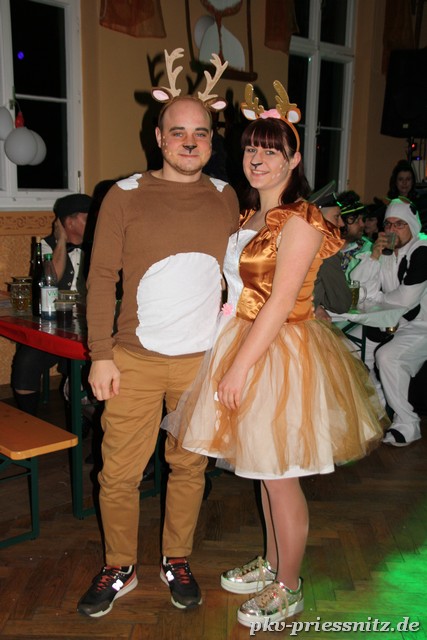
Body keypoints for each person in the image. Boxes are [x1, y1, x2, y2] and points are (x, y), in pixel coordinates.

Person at [164, 81, 386, 628]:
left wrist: (239, 367)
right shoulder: (248, 216)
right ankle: (272, 561)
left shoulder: (302, 219)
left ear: (294, 159)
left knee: (281, 472)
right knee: (262, 468)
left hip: (279, 352)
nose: (257, 159)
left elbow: (282, 301)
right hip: (242, 339)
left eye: (271, 150)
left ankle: (290, 586)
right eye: (250, 149)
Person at [77, 48, 239, 618]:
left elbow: (236, 277)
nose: (190, 142)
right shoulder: (122, 196)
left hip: (200, 363)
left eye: (201, 133)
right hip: (134, 360)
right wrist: (100, 354)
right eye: (178, 132)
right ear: (158, 136)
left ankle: (177, 558)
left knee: (189, 467)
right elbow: (99, 279)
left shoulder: (225, 197)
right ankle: (119, 565)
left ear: (212, 139)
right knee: (119, 473)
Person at [351, 199, 427, 446]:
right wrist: (374, 256)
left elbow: (407, 299)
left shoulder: (422, 249)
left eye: (400, 224)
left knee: (388, 357)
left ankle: (408, 424)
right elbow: (359, 290)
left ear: (412, 226)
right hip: (388, 320)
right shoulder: (383, 251)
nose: (393, 230)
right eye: (389, 224)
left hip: (421, 326)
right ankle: (380, 406)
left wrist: (379, 299)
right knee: (351, 347)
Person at [11, 193, 91, 416]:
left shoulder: (99, 243)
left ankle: (83, 413)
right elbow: (50, 281)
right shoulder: (47, 246)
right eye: (88, 217)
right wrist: (62, 241)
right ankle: (29, 421)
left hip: (89, 325)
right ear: (69, 222)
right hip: (53, 325)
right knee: (26, 363)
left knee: (82, 367)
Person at [312, 189, 352, 320]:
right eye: (336, 217)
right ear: (319, 218)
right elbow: (341, 304)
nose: (341, 223)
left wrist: (318, 306)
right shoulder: (326, 249)